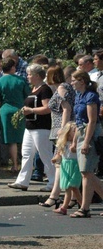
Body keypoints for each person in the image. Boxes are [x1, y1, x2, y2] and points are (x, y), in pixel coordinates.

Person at [7, 64, 55, 191]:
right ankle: (22, 181)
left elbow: (48, 108)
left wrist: (31, 110)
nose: (27, 76)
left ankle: (54, 183)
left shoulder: (45, 89)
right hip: (30, 127)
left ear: (38, 76)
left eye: (30, 74)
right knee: (27, 154)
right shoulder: (33, 88)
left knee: (45, 154)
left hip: (42, 127)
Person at [69, 70, 103, 218]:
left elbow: (92, 121)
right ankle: (85, 207)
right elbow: (78, 122)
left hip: (91, 134)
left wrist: (86, 142)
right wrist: (76, 141)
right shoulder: (78, 96)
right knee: (86, 172)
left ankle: (85, 208)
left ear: (82, 81)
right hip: (81, 133)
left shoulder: (91, 96)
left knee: (86, 172)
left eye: (73, 80)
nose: (71, 83)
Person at [40, 66, 75, 208]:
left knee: (60, 162)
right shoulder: (63, 87)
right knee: (62, 163)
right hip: (61, 129)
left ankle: (54, 196)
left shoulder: (62, 88)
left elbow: (66, 108)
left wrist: (63, 129)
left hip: (62, 129)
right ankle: (71, 197)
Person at [0, 59, 30, 172]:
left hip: (5, 111)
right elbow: (28, 96)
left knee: (11, 140)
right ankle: (25, 164)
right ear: (13, 68)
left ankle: (14, 164)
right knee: (25, 138)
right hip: (21, 109)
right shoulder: (22, 80)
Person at [51, 122, 82, 215]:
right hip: (65, 166)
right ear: (68, 132)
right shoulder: (64, 143)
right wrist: (55, 159)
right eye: (74, 131)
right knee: (72, 188)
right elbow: (59, 154)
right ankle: (83, 205)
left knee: (71, 187)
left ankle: (64, 207)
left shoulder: (76, 144)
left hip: (74, 166)